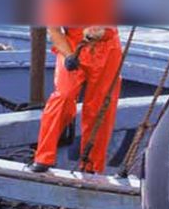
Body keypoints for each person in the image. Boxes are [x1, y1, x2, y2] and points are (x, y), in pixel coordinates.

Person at [29, 26, 122, 174]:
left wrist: (102, 32)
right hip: (72, 46)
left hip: (107, 48)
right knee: (63, 96)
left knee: (100, 108)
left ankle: (91, 166)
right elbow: (55, 30)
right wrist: (68, 55)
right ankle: (43, 157)